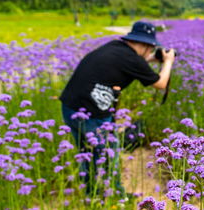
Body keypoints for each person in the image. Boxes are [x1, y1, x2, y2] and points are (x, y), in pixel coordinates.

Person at [59, 21, 175, 196]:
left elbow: (131, 63)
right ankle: (116, 195)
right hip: (93, 113)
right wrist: (168, 62)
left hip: (69, 106)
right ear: (145, 45)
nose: (150, 52)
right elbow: (161, 83)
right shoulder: (132, 59)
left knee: (85, 153)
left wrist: (151, 58)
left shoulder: (115, 47)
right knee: (108, 153)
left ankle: (91, 191)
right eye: (150, 49)